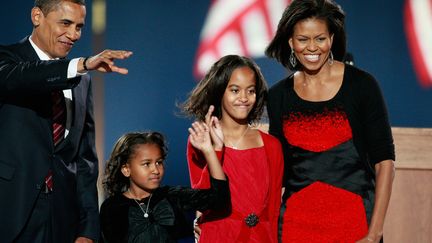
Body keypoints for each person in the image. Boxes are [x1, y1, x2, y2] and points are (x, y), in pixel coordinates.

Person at [0, 0, 132, 242]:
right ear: (37, 16)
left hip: (63, 221)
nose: (74, 35)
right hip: (10, 214)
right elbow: (23, 78)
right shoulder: (6, 60)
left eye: (79, 26)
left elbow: (85, 160)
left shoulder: (82, 80)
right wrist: (81, 65)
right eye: (65, 23)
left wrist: (88, 229)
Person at [265, 0, 395, 242]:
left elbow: (385, 163)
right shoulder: (277, 96)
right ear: (291, 42)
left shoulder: (362, 85)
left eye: (320, 39)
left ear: (332, 39)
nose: (312, 48)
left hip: (355, 227)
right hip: (295, 228)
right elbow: (275, 174)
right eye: (303, 39)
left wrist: (374, 234)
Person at [181, 55, 284, 242]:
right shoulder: (202, 139)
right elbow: (203, 200)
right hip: (219, 235)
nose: (244, 98)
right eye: (235, 90)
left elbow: (274, 206)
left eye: (250, 91)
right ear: (220, 91)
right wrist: (214, 151)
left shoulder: (271, 145)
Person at [99, 129, 230, 243]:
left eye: (159, 162)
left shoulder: (172, 196)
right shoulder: (112, 207)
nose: (156, 170)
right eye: (146, 164)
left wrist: (210, 151)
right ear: (126, 169)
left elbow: (219, 200)